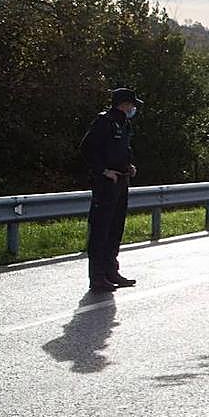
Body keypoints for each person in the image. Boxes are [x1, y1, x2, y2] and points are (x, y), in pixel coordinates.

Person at [81, 88, 141, 293]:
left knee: (115, 228)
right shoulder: (104, 121)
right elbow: (87, 149)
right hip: (106, 182)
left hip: (121, 180)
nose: (134, 108)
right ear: (123, 103)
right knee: (101, 229)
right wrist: (103, 171)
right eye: (132, 104)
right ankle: (97, 277)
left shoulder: (124, 123)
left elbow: (123, 149)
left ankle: (111, 271)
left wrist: (129, 165)